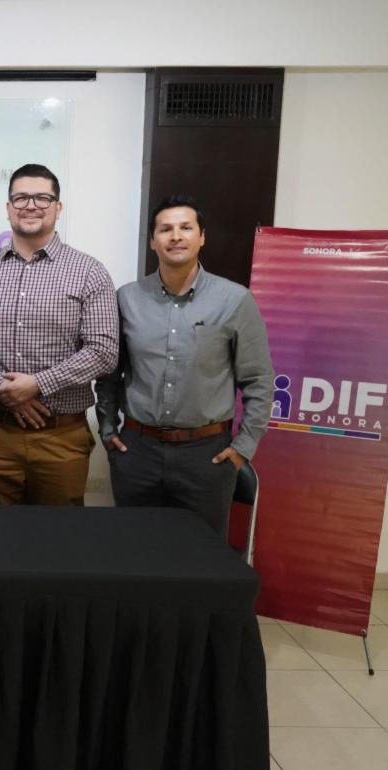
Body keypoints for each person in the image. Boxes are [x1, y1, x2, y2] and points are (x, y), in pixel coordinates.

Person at [95, 195, 273, 537]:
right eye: (165, 229)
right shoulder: (127, 299)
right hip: (137, 452)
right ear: (153, 241)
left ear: (201, 236)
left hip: (206, 456)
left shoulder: (235, 300)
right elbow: (108, 374)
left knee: (201, 556)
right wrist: (108, 430)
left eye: (185, 227)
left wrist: (243, 448)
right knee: (134, 550)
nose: (175, 236)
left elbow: (259, 380)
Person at [0, 164, 118, 505]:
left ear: (58, 207)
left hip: (61, 438)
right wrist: (6, 390)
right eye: (21, 198)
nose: (31, 205)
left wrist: (38, 384)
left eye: (42, 197)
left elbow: (104, 351)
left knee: (57, 536)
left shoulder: (89, 272)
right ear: (8, 208)